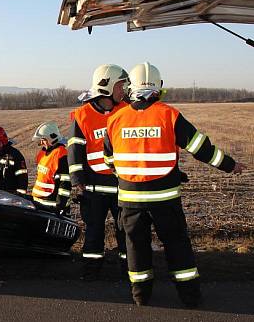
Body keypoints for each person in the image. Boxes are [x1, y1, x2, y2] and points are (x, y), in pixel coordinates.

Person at [104, 62, 246, 307]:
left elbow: (109, 160)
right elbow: (201, 148)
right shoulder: (169, 115)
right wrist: (230, 165)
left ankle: (141, 296)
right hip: (164, 200)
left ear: (130, 87)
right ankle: (190, 297)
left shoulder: (115, 119)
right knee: (177, 245)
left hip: (129, 200)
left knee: (136, 247)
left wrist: (133, 173)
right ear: (158, 87)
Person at [67, 64, 129, 280]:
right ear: (107, 86)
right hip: (93, 190)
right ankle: (91, 273)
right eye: (121, 85)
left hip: (123, 187)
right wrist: (77, 180)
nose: (124, 90)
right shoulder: (82, 115)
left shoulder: (127, 110)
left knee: (126, 233)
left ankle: (129, 272)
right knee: (94, 234)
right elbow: (74, 149)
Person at [31, 122, 71, 214]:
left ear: (52, 138)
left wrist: (60, 205)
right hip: (38, 201)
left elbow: (65, 183)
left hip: (52, 205)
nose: (41, 143)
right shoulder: (42, 154)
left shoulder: (61, 155)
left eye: (43, 140)